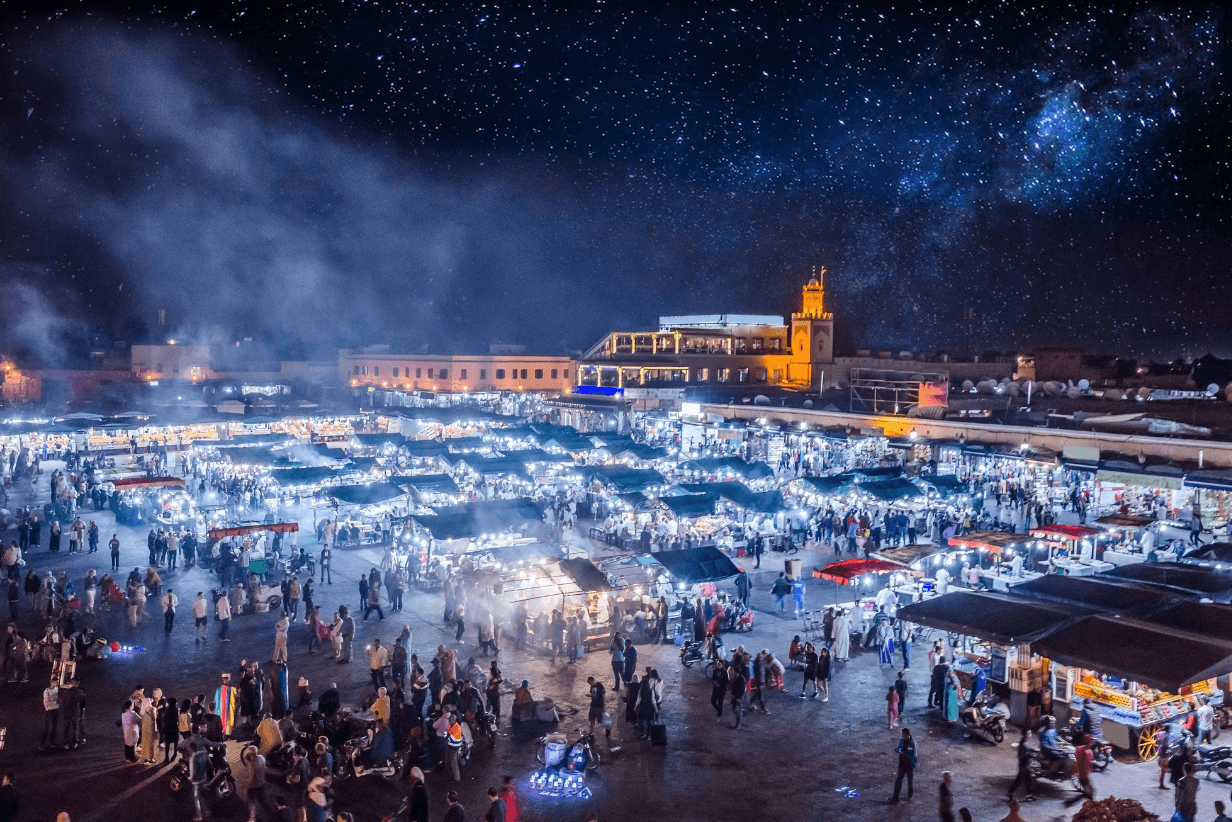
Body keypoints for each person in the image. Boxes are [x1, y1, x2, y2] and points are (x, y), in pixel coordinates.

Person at [1005, 728, 1036, 802]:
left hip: (1027, 765)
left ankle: (1029, 795)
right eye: (1028, 734)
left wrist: (1030, 751)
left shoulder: (1024, 742)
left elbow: (1026, 752)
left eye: (1030, 733)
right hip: (1024, 766)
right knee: (1019, 780)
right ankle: (1010, 793)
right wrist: (1031, 755)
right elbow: (1022, 756)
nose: (1030, 735)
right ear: (1024, 734)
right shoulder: (1023, 744)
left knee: (1028, 780)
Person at [889, 728, 916, 802]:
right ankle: (895, 797)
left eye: (903, 734)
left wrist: (903, 752)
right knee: (898, 780)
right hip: (902, 763)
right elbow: (900, 749)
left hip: (909, 764)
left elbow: (912, 754)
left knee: (909, 781)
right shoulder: (901, 741)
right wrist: (897, 750)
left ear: (907, 734)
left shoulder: (912, 743)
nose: (902, 736)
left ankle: (910, 795)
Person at [1075, 735, 1095, 799]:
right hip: (1083, 771)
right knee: (1086, 783)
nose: (1092, 742)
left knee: (1086, 783)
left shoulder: (1081, 749)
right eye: (1091, 740)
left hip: (1084, 771)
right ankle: (1089, 795)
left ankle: (1089, 793)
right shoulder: (1087, 751)